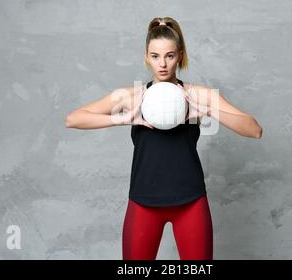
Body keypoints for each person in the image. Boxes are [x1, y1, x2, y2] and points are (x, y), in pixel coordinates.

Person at [65, 17, 263, 260]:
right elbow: (73, 119)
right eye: (155, 56)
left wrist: (209, 111)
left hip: (190, 202)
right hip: (143, 201)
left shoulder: (198, 95)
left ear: (180, 56)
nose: (162, 64)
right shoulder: (133, 96)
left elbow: (254, 130)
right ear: (147, 56)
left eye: (169, 56)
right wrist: (124, 119)